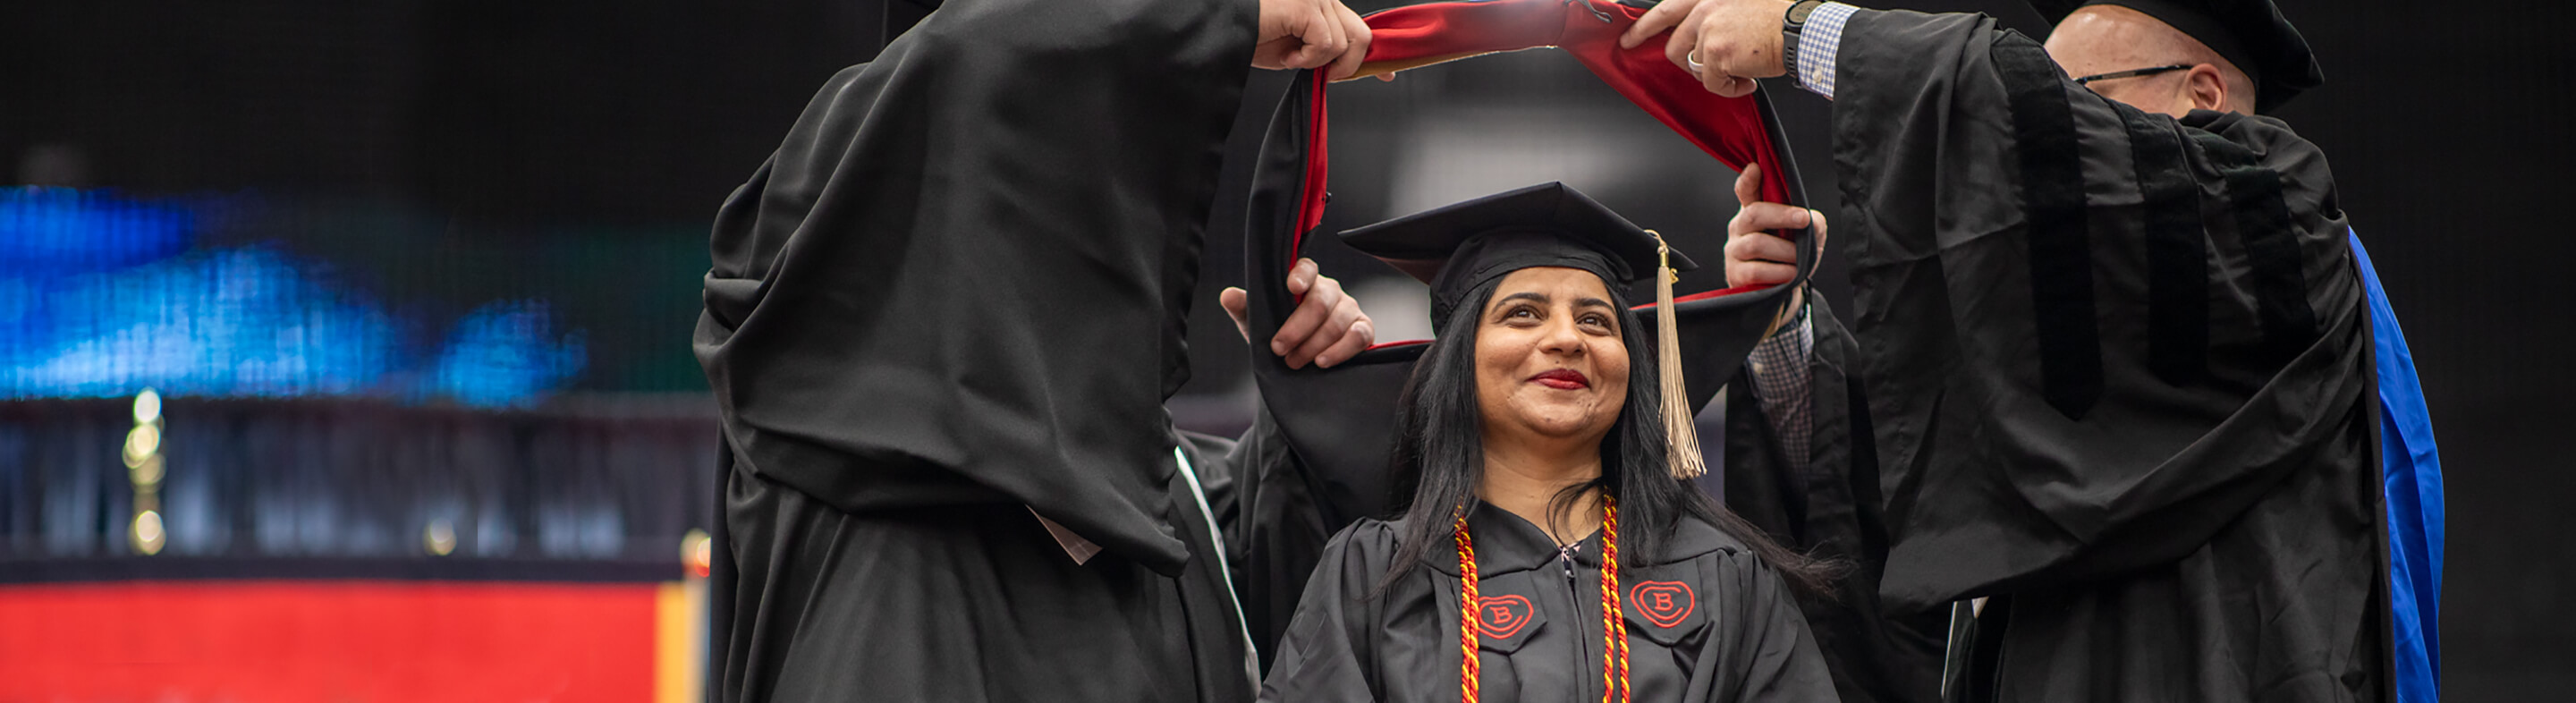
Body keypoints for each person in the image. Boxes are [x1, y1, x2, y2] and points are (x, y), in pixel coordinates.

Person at [1624, 0, 2444, 700]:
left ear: (2203, 95)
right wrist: (1786, 329)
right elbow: (1922, 534)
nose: (2027, 149)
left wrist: (1805, 30)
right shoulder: (2079, 355)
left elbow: (2004, 103)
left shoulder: (2278, 211)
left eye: (2070, 102)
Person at [689, 0, 1378, 700]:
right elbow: (973, 58)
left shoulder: (1154, 484)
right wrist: (1209, 16)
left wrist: (1301, 399)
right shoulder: (834, 293)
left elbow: (1268, 612)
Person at [1256, 182, 1839, 702]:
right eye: (1523, 314)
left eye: (1595, 321)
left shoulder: (1724, 572)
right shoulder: (1374, 572)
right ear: (1461, 362)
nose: (1566, 338)